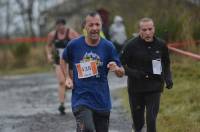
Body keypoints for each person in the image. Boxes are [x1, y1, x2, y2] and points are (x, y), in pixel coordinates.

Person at [62, 12, 124, 132]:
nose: (95, 28)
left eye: (97, 24)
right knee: (88, 129)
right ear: (85, 26)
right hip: (81, 100)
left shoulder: (108, 46)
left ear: (101, 25)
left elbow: (121, 72)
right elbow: (63, 60)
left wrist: (116, 69)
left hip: (102, 101)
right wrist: (67, 78)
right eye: (91, 25)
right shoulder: (74, 45)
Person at [120, 17, 173, 132]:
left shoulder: (161, 44)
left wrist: (168, 78)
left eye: (150, 29)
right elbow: (121, 65)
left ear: (154, 29)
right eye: (144, 30)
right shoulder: (131, 46)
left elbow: (166, 62)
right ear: (139, 30)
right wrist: (136, 74)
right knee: (139, 123)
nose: (147, 32)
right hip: (136, 89)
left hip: (155, 87)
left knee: (151, 120)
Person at [45, 18, 79, 115]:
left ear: (65, 25)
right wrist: (49, 54)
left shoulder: (71, 33)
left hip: (70, 61)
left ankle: (77, 103)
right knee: (61, 82)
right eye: (58, 25)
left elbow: (80, 43)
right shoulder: (52, 35)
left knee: (72, 83)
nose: (60, 27)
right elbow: (47, 45)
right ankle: (62, 105)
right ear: (56, 26)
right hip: (58, 61)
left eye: (62, 25)